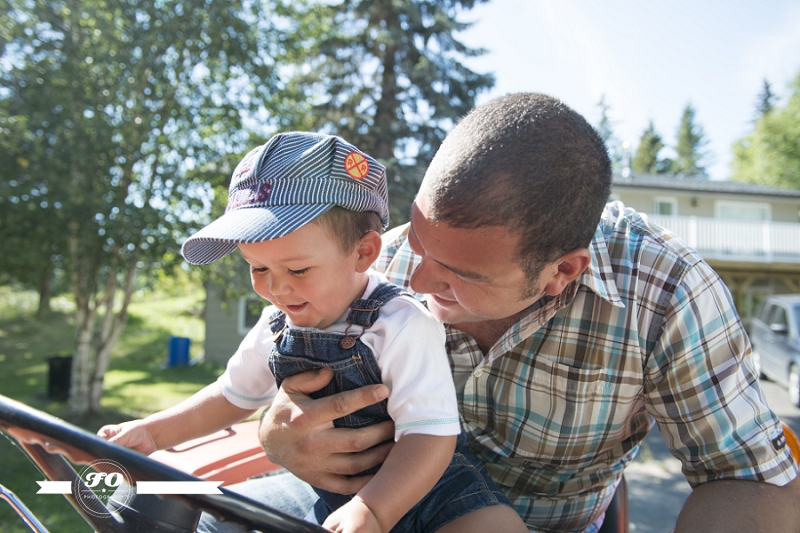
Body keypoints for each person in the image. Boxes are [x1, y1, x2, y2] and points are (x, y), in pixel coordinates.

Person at [242, 94, 800, 533]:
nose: (413, 278)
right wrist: (275, 432)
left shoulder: (665, 292)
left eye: (462, 274)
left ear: (562, 272)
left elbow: (743, 475)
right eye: (419, 238)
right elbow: (270, 375)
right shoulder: (372, 264)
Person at [98, 132, 526, 533]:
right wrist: (153, 433)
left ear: (363, 252)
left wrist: (374, 510)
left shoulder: (400, 323)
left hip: (436, 489)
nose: (277, 288)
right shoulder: (276, 324)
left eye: (298, 269)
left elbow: (431, 436)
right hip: (336, 493)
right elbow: (230, 396)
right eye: (259, 268)